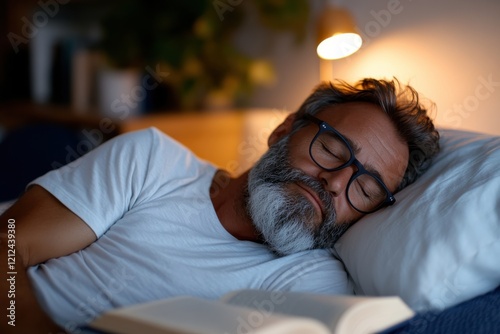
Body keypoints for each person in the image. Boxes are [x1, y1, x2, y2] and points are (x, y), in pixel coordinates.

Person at [0, 78, 439, 333]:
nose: (336, 182)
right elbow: (11, 241)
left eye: (366, 189)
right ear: (285, 131)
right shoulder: (153, 160)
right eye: (332, 147)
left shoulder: (316, 279)